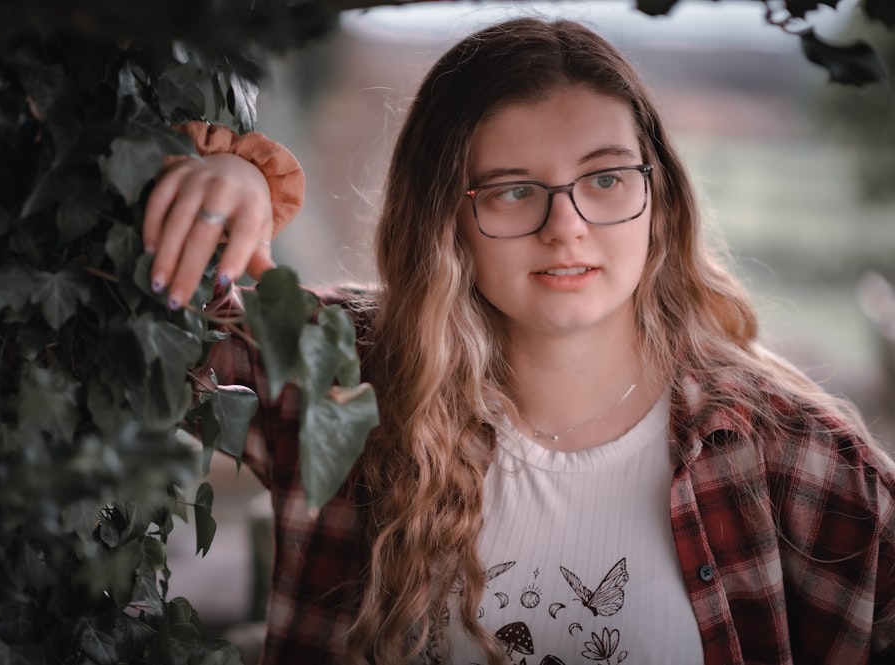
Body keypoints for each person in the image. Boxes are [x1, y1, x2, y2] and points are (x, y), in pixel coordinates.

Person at [143, 16, 895, 665]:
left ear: (657, 199)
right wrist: (229, 177)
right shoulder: (350, 371)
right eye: (511, 190)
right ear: (447, 221)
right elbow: (109, 335)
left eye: (605, 180)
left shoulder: (800, 462)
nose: (565, 225)